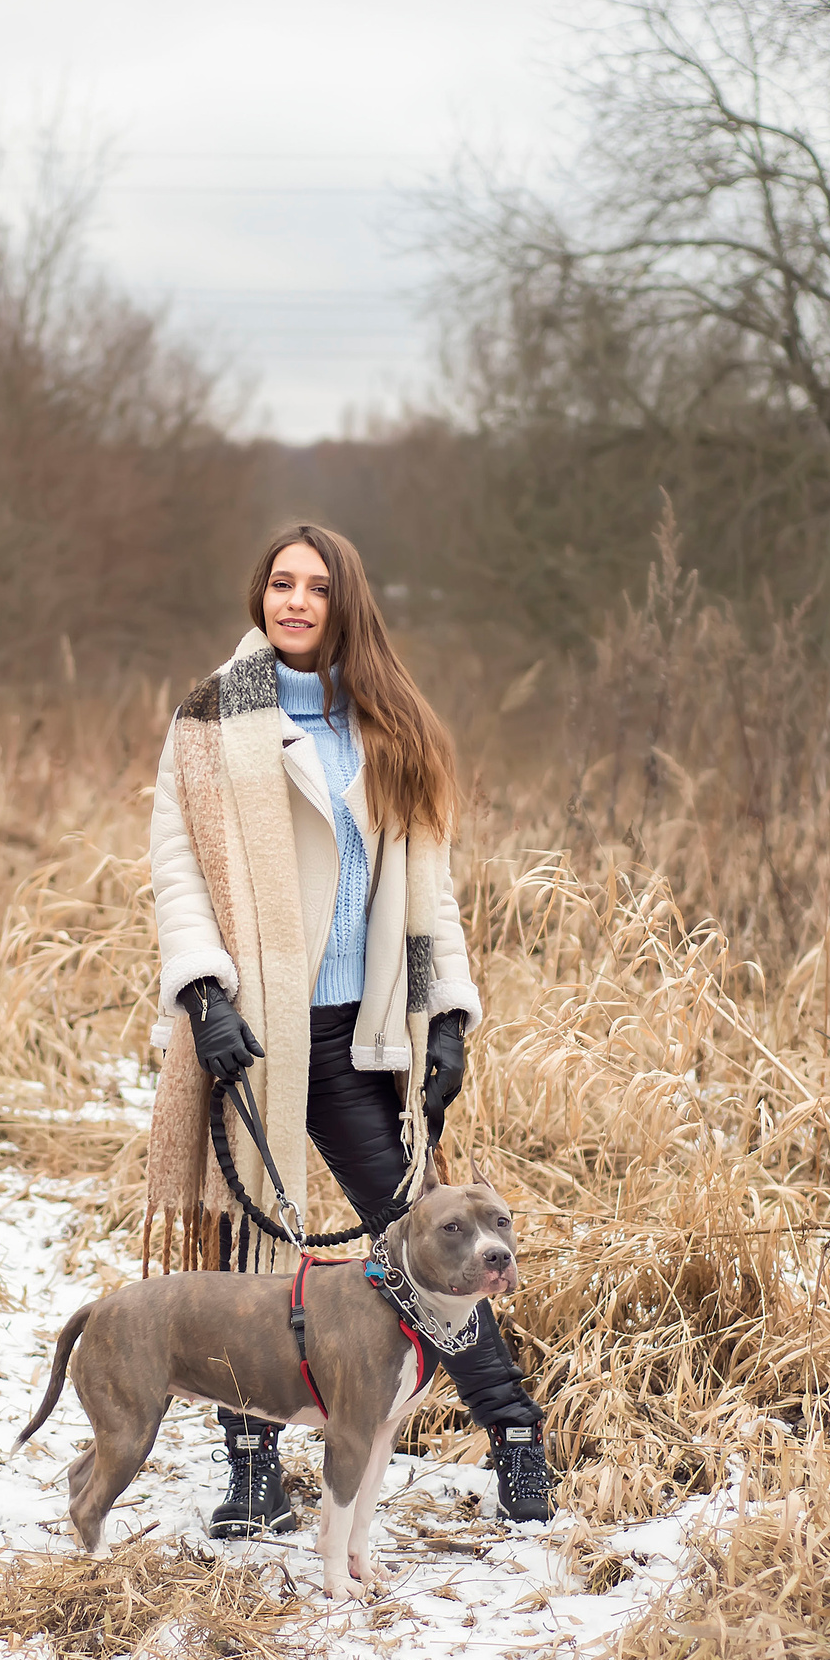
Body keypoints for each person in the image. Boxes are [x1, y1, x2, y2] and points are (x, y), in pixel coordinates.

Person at [142, 521, 554, 1536]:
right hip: (256, 1032)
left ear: (344, 602)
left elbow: (424, 896)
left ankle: (514, 1435)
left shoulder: (387, 721)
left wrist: (444, 1014)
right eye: (278, 582)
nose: (291, 600)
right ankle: (249, 1467)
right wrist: (205, 995)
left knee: (440, 1246)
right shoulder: (211, 714)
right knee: (249, 1259)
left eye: (313, 586)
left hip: (365, 1034)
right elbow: (177, 867)